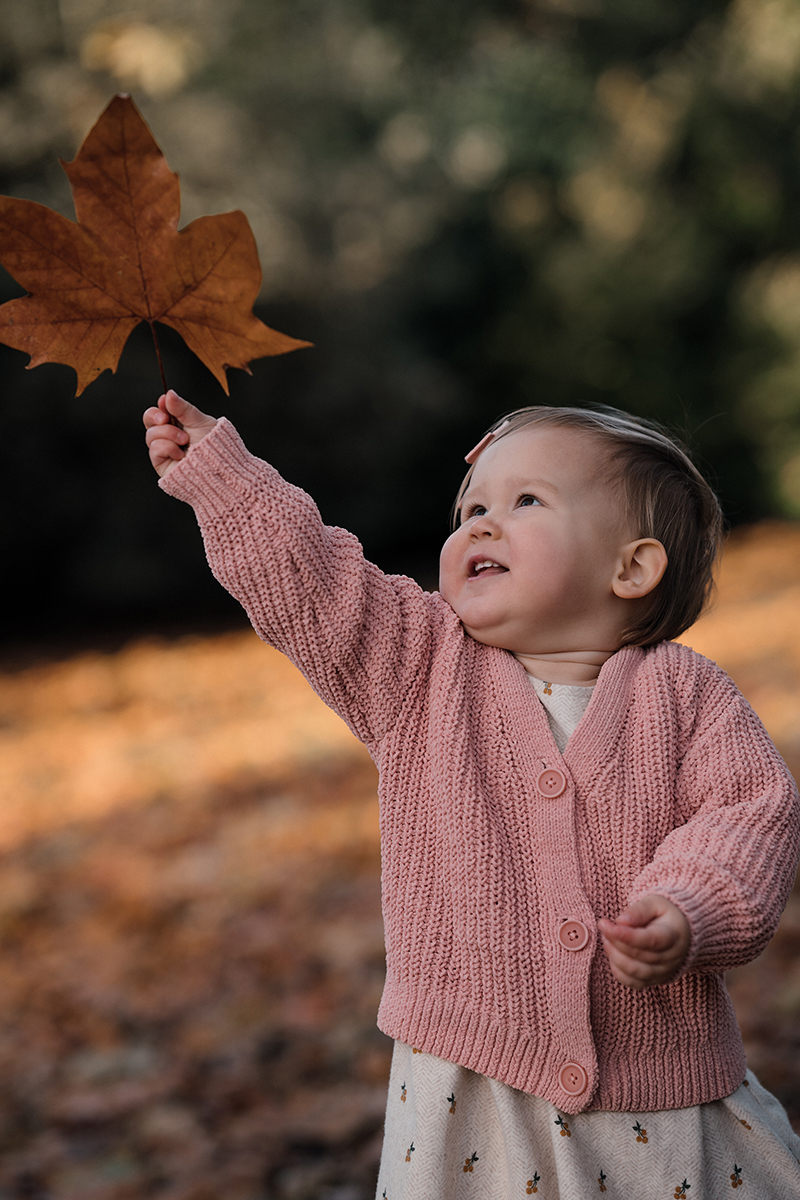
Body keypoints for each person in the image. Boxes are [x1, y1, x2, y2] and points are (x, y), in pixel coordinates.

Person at [144, 391, 800, 1199]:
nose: (481, 524)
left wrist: (686, 908)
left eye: (525, 501)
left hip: (662, 1100)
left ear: (631, 566)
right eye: (471, 507)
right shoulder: (420, 668)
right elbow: (315, 582)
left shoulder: (690, 696)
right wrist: (223, 475)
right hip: (475, 1095)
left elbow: (747, 819)